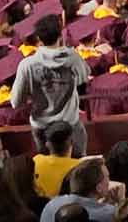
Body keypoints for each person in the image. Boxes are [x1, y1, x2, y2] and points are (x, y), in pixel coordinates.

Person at [16, 13, 89, 154]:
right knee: (79, 168)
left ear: (39, 39)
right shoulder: (73, 57)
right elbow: (83, 78)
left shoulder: (27, 65)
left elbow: (16, 102)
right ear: (60, 36)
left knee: (47, 167)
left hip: (42, 127)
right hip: (70, 125)